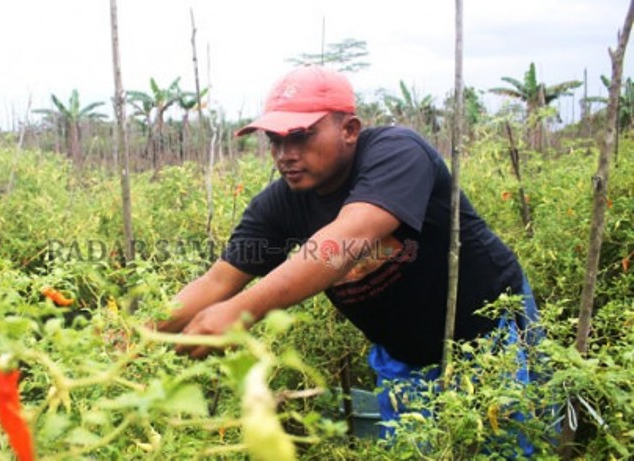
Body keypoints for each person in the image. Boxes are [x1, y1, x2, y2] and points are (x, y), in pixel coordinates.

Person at [156, 65, 539, 447]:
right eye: (275, 140)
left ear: (350, 130)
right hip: (403, 356)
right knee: (415, 452)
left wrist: (239, 313)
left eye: (301, 136)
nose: (285, 155)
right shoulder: (279, 204)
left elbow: (344, 241)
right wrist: (136, 334)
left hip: (491, 334)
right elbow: (218, 281)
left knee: (512, 448)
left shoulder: (397, 153)